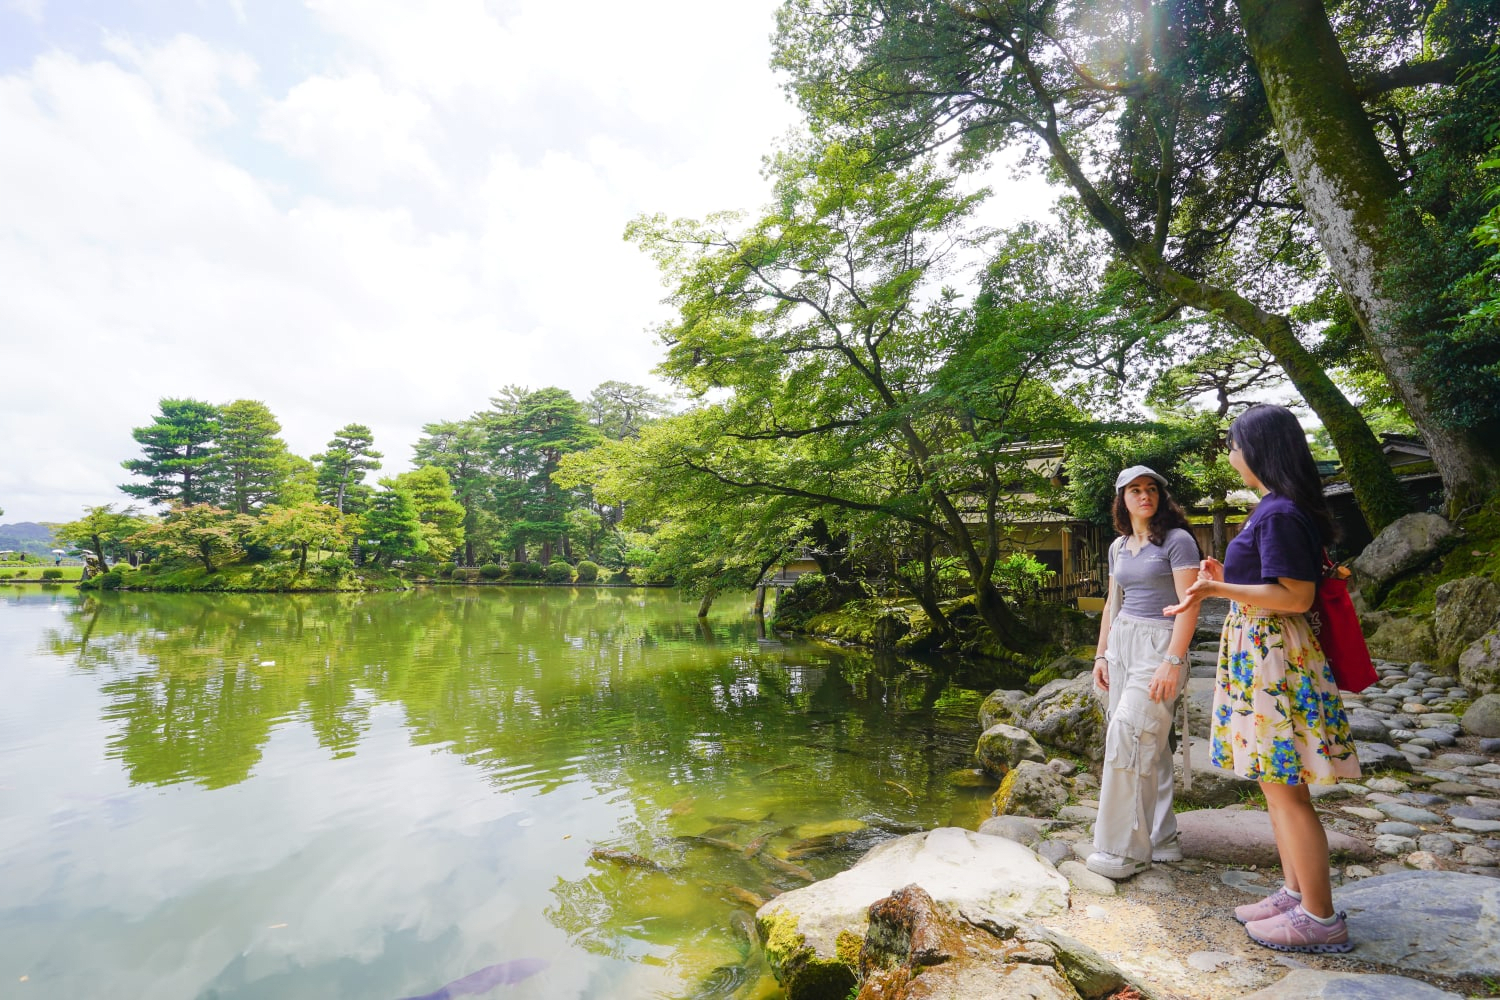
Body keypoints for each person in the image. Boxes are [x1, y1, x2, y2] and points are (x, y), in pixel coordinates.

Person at [1165, 403, 1360, 954]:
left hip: (1275, 657)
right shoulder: (1275, 508)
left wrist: (1217, 591)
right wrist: (1229, 578)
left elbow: (1295, 596)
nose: (1231, 455)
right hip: (1263, 650)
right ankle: (1295, 892)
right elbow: (1275, 583)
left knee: (1286, 788)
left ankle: (1320, 918)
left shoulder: (1277, 513)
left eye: (1234, 444)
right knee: (1275, 786)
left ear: (1258, 451)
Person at [1085, 465, 1202, 880]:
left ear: (1162, 496)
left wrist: (1173, 659)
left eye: (1151, 489)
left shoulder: (1178, 541)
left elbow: (1191, 604)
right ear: (1122, 499)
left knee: (1129, 736)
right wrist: (1101, 656)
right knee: (1152, 742)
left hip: (1160, 643)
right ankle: (1161, 836)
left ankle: (1126, 851)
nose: (1144, 495)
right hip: (1122, 644)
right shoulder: (1119, 547)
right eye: (1135, 490)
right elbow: (1111, 604)